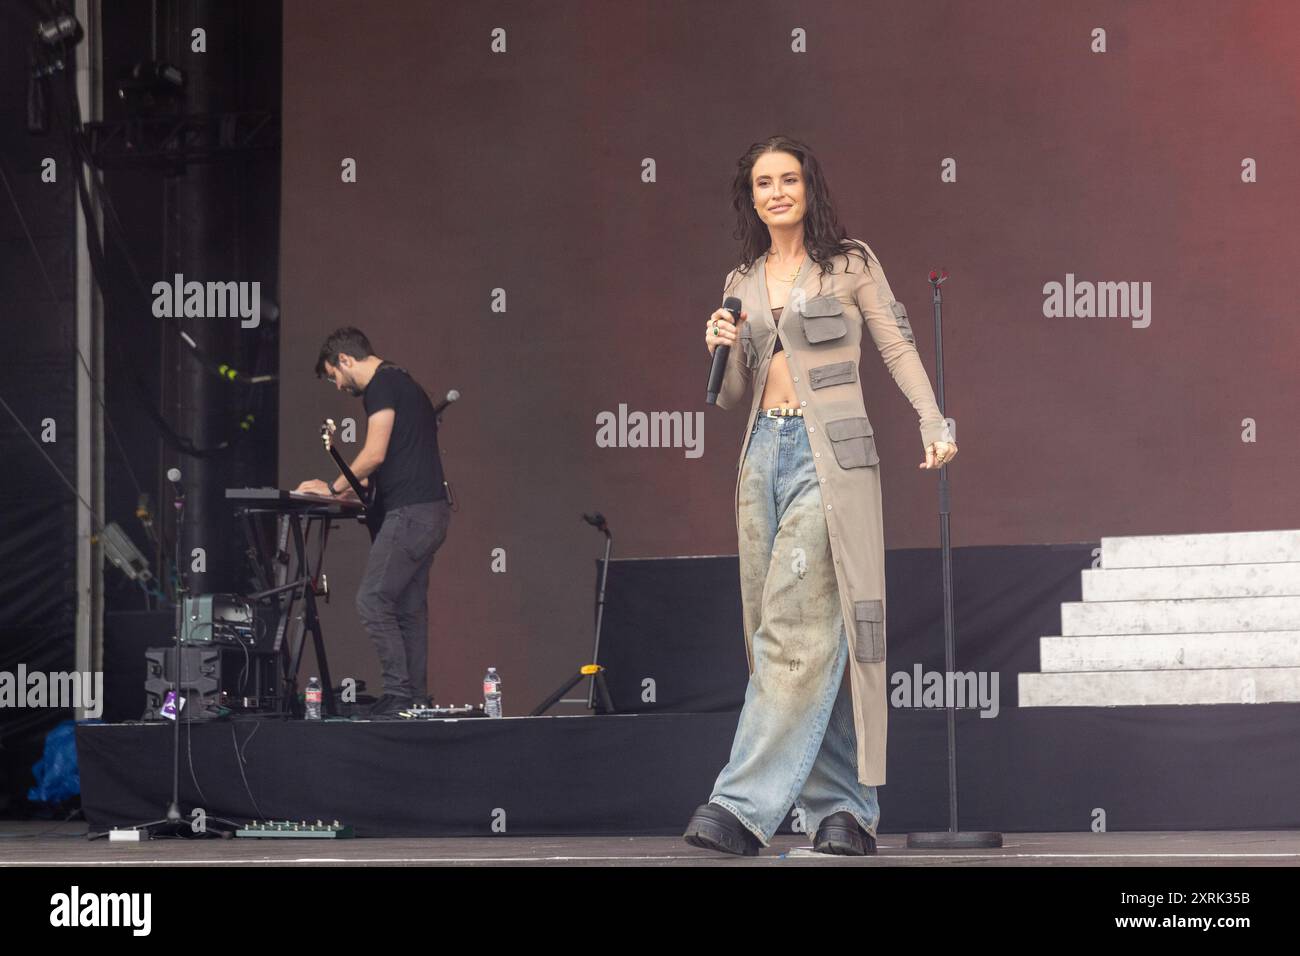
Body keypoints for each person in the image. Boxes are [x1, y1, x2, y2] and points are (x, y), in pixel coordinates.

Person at [682, 137, 958, 856]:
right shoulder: (739, 280)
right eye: (763, 182)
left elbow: (895, 344)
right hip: (760, 458)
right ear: (750, 196)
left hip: (829, 456)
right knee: (805, 632)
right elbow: (732, 396)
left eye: (789, 179)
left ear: (810, 188)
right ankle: (845, 811)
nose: (777, 191)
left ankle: (740, 806)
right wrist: (719, 342)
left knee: (793, 626)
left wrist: (933, 420)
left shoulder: (851, 263)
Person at [294, 327, 451, 718]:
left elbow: (374, 454)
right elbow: (380, 470)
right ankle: (415, 700)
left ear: (345, 360)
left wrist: (331, 489)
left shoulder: (381, 386)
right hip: (431, 513)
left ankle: (399, 697)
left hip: (411, 514)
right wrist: (334, 488)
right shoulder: (406, 384)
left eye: (334, 376)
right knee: (409, 608)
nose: (337, 386)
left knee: (372, 600)